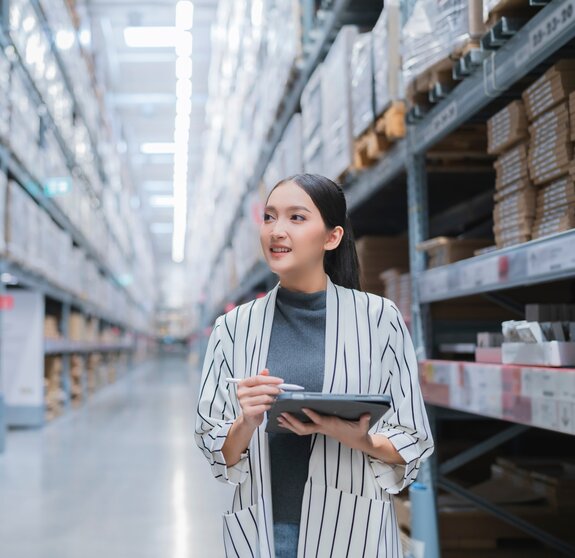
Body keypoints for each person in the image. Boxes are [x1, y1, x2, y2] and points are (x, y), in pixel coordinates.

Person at [195, 174, 434, 557]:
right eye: (270, 217)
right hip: (269, 532)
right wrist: (246, 422)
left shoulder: (378, 319)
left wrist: (361, 439)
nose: (277, 230)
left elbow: (414, 439)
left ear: (332, 237)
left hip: (353, 529)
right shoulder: (233, 328)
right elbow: (216, 447)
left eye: (297, 218)